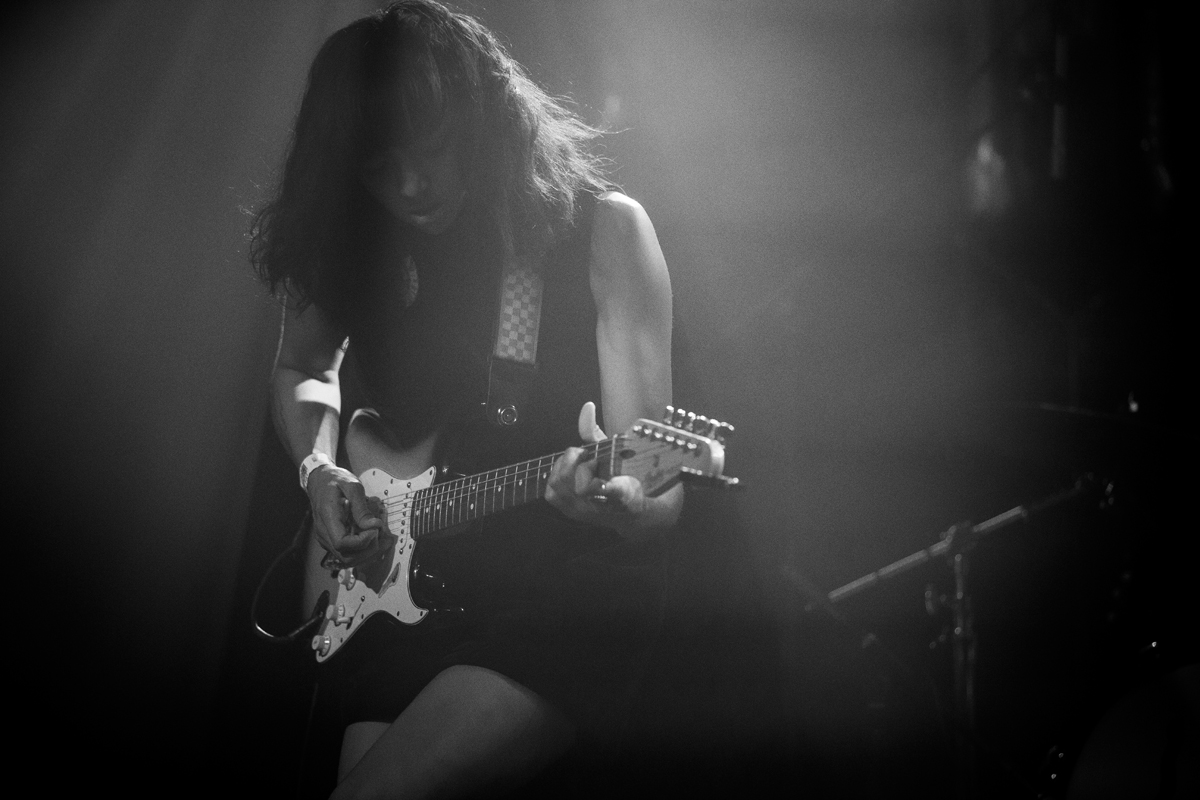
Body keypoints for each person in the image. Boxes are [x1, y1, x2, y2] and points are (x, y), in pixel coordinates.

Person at [249, 2, 681, 797]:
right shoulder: (353, 241)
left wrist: (621, 502)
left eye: (435, 150)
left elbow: (661, 486)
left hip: (560, 603)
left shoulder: (603, 232)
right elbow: (301, 366)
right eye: (381, 166)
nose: (411, 186)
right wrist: (317, 470)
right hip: (397, 596)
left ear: (485, 122)